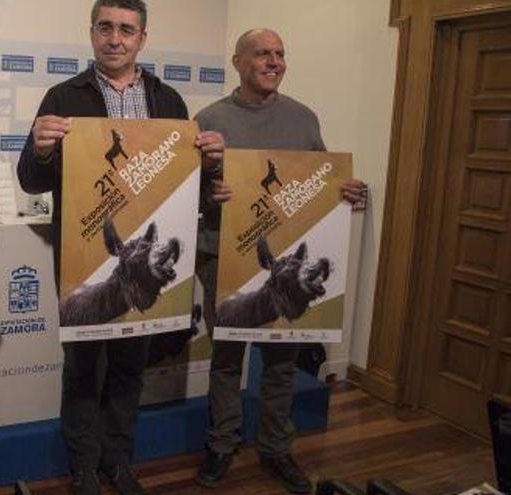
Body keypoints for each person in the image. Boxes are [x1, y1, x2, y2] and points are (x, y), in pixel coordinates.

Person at [16, 2, 222, 494]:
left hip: (145, 267)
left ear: (142, 38)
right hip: (87, 264)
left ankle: (118, 461)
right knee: (83, 371)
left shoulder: (169, 101)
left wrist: (212, 165)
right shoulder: (63, 96)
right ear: (92, 34)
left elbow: (189, 187)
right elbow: (31, 180)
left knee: (131, 368)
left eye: (126, 29)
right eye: (106, 27)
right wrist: (41, 149)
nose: (115, 38)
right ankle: (83, 466)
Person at [193, 29, 368, 494]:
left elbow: (321, 185)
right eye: (262, 54)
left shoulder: (304, 118)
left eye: (279, 55)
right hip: (224, 259)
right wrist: (212, 193)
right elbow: (185, 195)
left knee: (281, 362)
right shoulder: (209, 120)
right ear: (237, 62)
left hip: (287, 265)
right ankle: (221, 444)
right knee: (227, 360)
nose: (273, 62)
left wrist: (349, 192)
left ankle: (276, 448)